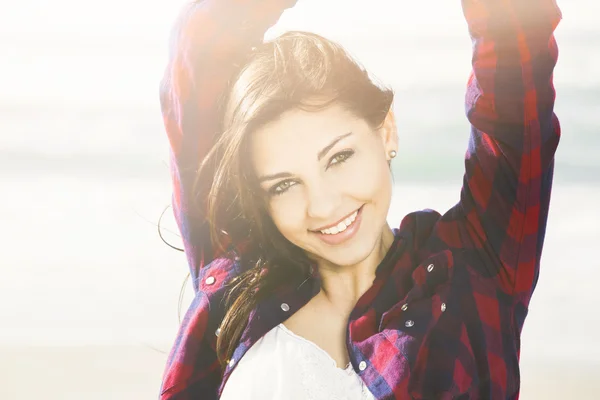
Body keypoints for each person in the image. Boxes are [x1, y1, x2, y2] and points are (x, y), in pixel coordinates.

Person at [158, 0, 562, 398]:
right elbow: (199, 51)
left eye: (339, 157)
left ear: (386, 130)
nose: (323, 206)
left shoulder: (473, 270)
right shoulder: (241, 284)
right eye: (283, 185)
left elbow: (515, 57)